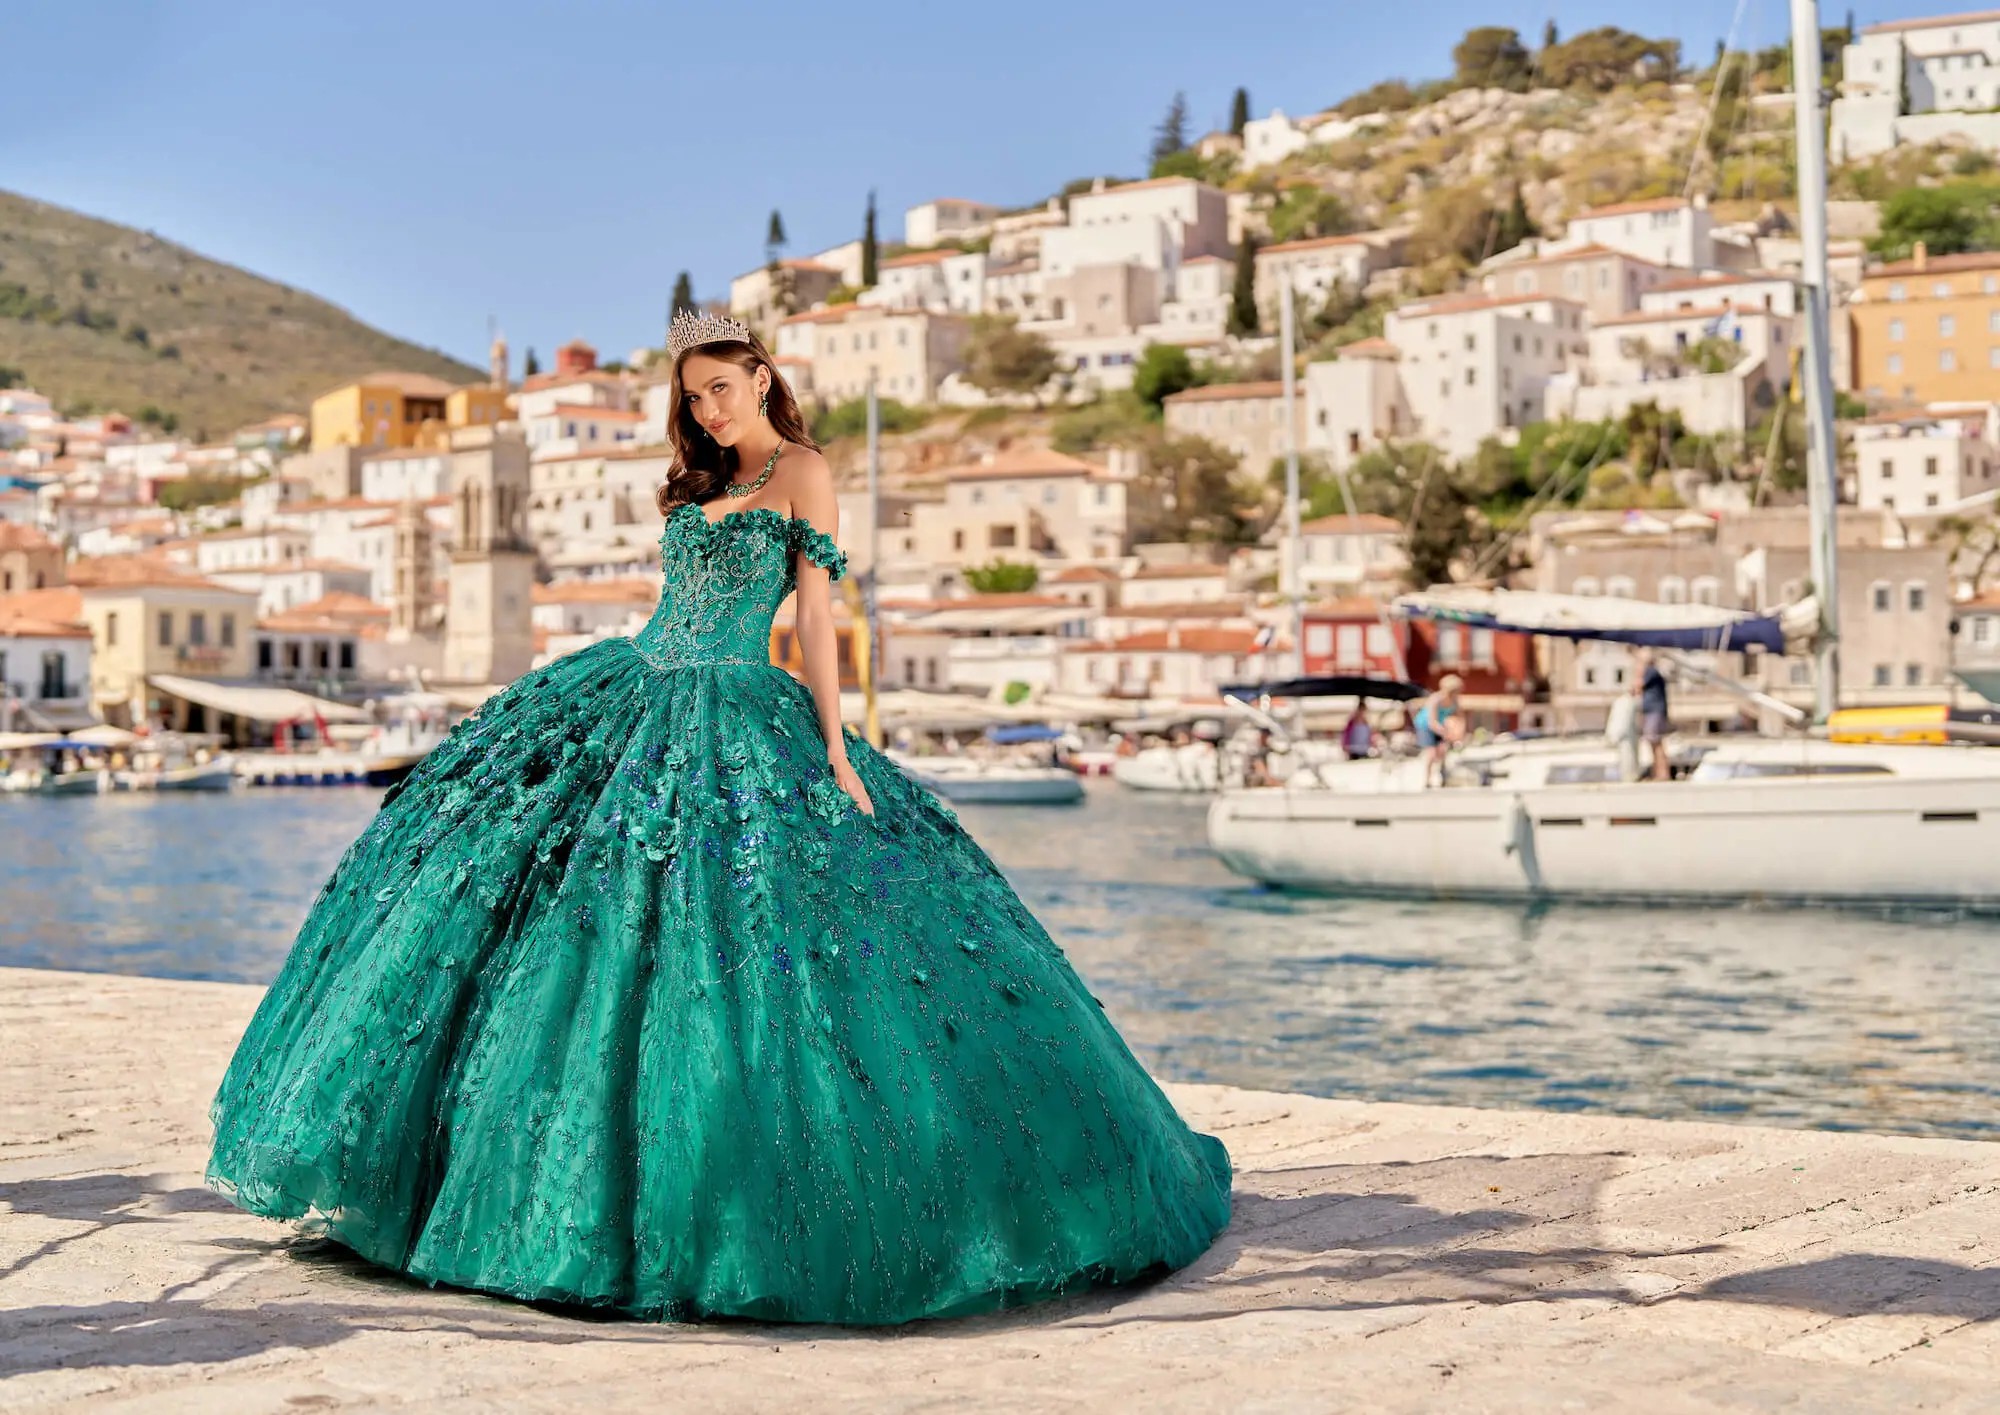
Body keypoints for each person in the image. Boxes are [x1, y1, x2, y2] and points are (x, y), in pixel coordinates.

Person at [205, 311, 1230, 1327]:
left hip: (742, 700)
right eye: (691, 397)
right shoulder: (698, 485)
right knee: (514, 896)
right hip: (630, 682)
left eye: (720, 388)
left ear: (760, 374)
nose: (706, 408)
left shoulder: (803, 473)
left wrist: (834, 749)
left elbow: (817, 620)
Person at [1413, 675, 1465, 787]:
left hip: (1440, 727)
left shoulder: (1455, 701)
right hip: (1425, 726)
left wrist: (1459, 732)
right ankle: (1427, 780)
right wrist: (1446, 733)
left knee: (1443, 750)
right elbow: (1432, 722)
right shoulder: (1436, 699)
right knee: (1431, 753)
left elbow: (1460, 717)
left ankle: (1443, 776)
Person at [1638, 647, 1672, 781]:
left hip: (1654, 711)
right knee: (1653, 742)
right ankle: (1658, 772)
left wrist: (1639, 668)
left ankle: (1662, 773)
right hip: (1653, 711)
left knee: (1656, 741)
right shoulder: (1654, 672)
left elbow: (1637, 685)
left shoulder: (1650, 672)